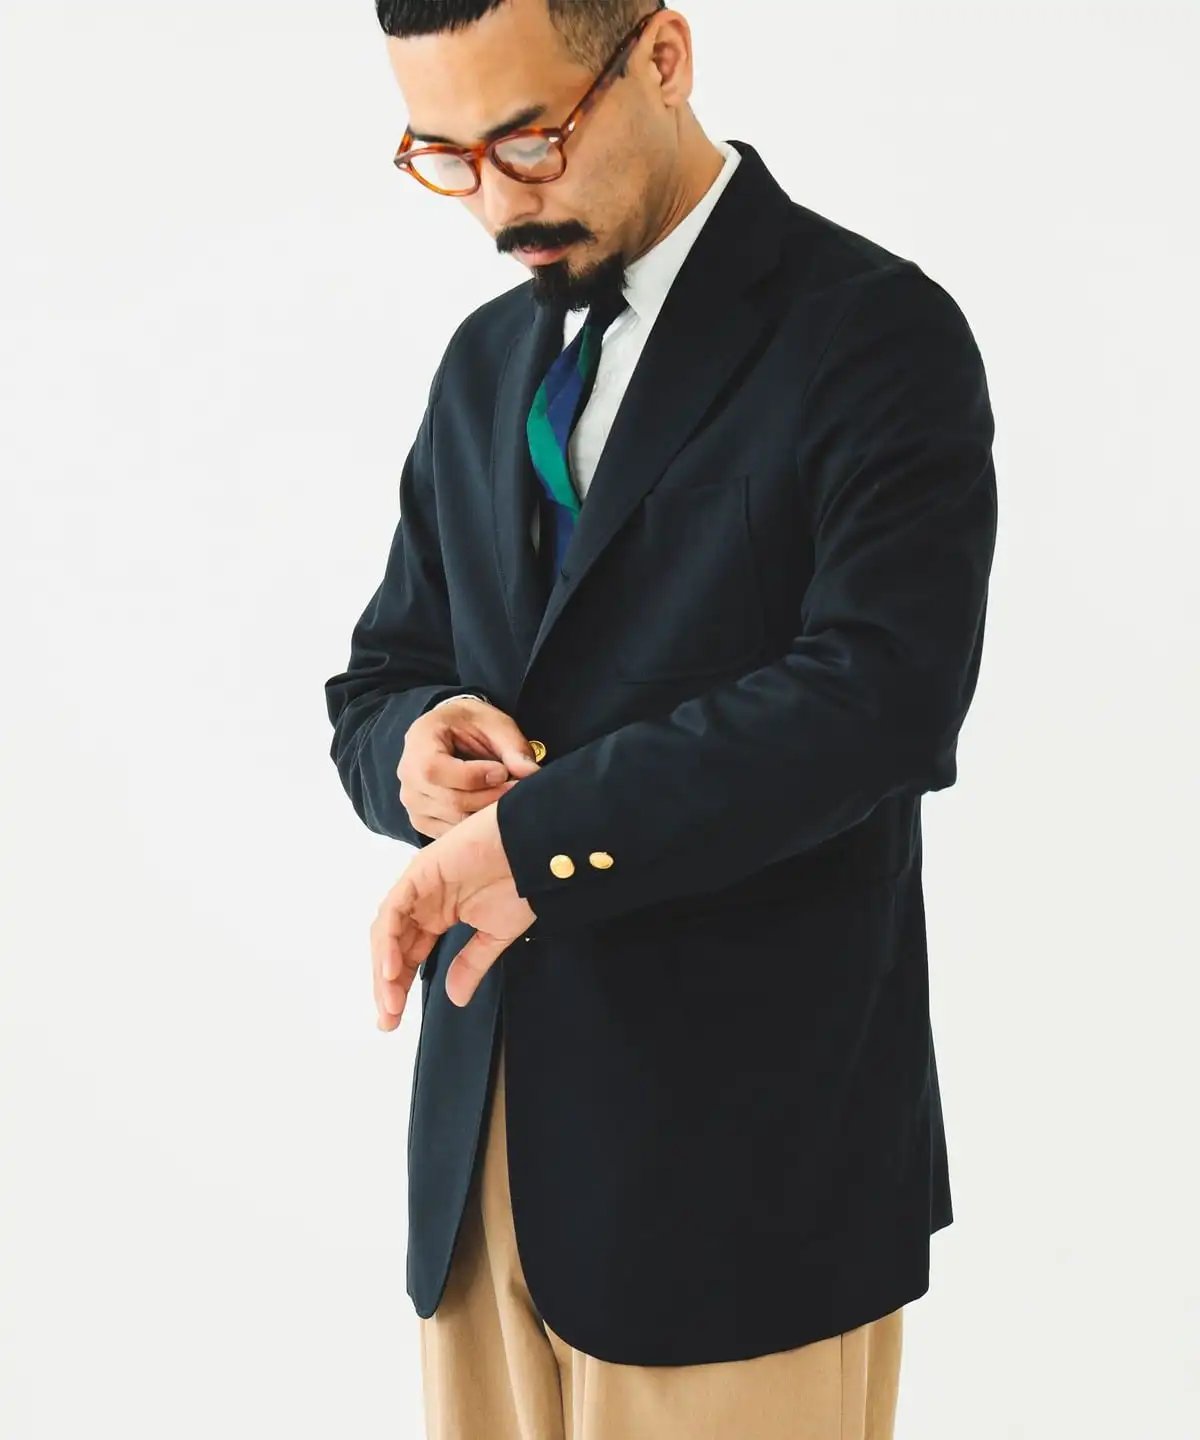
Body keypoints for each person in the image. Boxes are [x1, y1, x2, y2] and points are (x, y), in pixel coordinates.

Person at [323, 1, 998, 1435]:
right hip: (483, 1171)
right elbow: (383, 670)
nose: (499, 207)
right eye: (446, 157)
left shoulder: (873, 333)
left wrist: (533, 840)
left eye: (529, 141)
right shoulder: (486, 364)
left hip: (743, 1189)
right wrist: (414, 751)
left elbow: (882, 699)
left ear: (664, 58)